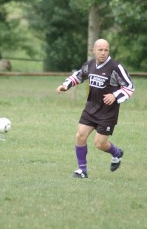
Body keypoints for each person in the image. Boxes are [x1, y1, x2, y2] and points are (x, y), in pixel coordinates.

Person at [56, 38, 135, 178]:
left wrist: (115, 96)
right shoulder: (90, 64)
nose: (103, 53)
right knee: (80, 135)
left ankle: (117, 153)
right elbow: (79, 75)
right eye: (100, 50)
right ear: (93, 50)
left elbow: (129, 86)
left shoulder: (116, 67)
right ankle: (82, 171)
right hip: (91, 108)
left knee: (99, 143)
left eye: (106, 50)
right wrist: (65, 85)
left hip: (108, 113)